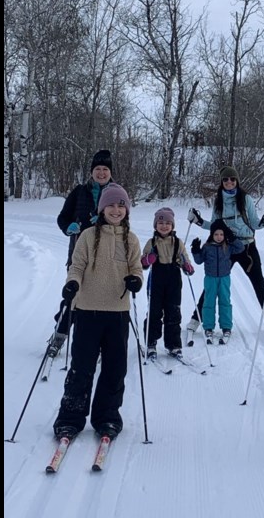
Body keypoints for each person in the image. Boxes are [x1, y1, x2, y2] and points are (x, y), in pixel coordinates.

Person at [52, 183, 143, 440]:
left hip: (117, 312)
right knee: (81, 368)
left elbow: (136, 268)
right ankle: (70, 418)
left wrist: (136, 280)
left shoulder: (131, 239)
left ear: (126, 209)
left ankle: (107, 417)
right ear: (102, 208)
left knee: (115, 370)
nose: (116, 210)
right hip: (87, 309)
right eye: (111, 205)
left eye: (121, 205)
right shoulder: (88, 235)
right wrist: (72, 284)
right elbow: (77, 265)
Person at [187, 166, 264, 338]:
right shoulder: (219, 201)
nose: (229, 182)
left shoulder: (245, 199)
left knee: (259, 284)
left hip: (247, 247)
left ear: (237, 180)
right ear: (222, 182)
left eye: (232, 179)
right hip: (227, 248)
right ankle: (195, 319)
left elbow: (254, 223)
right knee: (213, 282)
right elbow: (215, 226)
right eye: (225, 180)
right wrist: (198, 221)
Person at [49, 149, 114, 357]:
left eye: (105, 169)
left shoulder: (117, 192)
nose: (101, 173)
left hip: (107, 254)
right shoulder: (79, 191)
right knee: (73, 294)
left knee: (103, 298)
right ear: (91, 171)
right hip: (78, 252)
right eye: (97, 169)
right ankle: (59, 336)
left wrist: (104, 220)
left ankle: (101, 344)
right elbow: (63, 217)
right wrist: (69, 227)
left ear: (110, 172)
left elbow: (123, 221)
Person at [140, 207, 195, 359]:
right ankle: (151, 343)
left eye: (168, 223)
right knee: (154, 312)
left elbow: (185, 260)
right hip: (157, 279)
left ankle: (173, 345)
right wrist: (147, 260)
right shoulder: (151, 242)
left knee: (173, 312)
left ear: (172, 226)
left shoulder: (177, 242)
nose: (164, 226)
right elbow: (142, 263)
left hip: (173, 280)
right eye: (161, 222)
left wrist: (187, 266)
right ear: (155, 225)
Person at [190, 219, 244, 344]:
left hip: (224, 278)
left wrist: (232, 237)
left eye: (221, 234)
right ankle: (208, 327)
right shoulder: (207, 247)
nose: (219, 237)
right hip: (210, 278)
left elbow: (240, 248)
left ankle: (226, 327)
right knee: (208, 302)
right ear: (211, 235)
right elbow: (199, 261)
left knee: (225, 301)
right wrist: (196, 250)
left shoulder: (228, 246)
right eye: (216, 234)